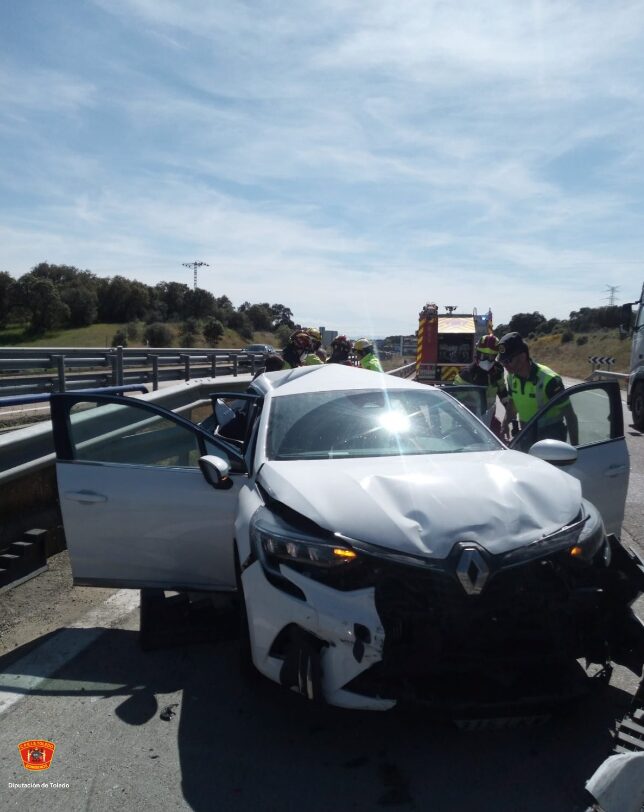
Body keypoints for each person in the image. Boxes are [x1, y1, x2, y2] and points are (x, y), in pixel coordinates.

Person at [498, 332, 578, 444]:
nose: (505, 365)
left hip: (551, 440)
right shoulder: (511, 378)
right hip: (526, 436)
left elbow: (570, 417)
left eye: (508, 361)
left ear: (522, 357)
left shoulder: (550, 380)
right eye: (502, 362)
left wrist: (576, 449)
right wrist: (505, 423)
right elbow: (512, 405)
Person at [454, 334, 515, 439]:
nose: (487, 360)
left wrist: (511, 416)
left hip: (489, 416)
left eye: (491, 357)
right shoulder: (466, 374)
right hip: (467, 419)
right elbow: (454, 401)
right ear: (477, 354)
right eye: (483, 356)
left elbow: (503, 392)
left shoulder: (498, 370)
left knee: (499, 439)